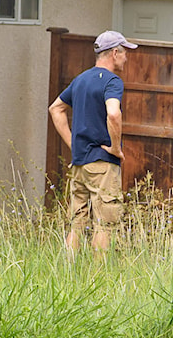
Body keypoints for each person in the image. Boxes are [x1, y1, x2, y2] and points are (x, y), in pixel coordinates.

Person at [48, 30, 138, 253]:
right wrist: (115, 148)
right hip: (102, 164)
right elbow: (114, 114)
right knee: (105, 225)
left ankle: (70, 276)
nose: (126, 57)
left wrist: (73, 145)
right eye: (124, 52)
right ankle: (99, 280)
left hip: (79, 164)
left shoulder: (80, 80)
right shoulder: (112, 81)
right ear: (115, 53)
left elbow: (55, 109)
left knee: (77, 224)